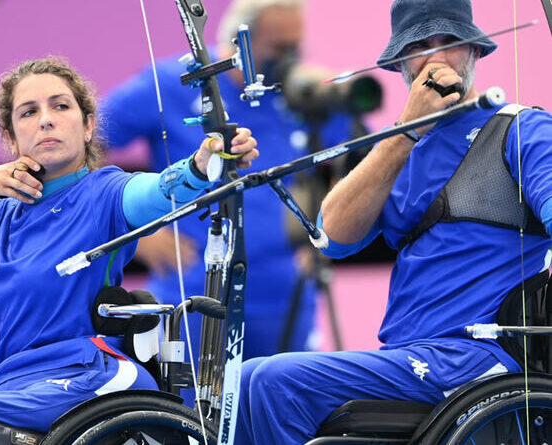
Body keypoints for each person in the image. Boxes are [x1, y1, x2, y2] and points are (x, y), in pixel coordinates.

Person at [0, 57, 258, 444]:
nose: (45, 118)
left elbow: (156, 192)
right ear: (12, 139)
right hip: (14, 385)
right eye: (28, 112)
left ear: (87, 126)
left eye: (60, 106)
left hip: (86, 375)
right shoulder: (4, 216)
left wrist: (202, 167)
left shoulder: (107, 191)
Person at [236, 0, 552, 443]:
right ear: (401, 63)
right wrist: (406, 129)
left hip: (477, 359)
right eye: (421, 46)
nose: (438, 59)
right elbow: (333, 237)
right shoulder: (399, 149)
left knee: (271, 381)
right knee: (246, 383)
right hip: (410, 359)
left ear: (476, 52)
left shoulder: (524, 129)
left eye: (451, 43)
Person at [102, 0, 358, 367]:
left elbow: (352, 156)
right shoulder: (172, 83)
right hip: (194, 292)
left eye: (295, 47)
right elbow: (87, 144)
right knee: (191, 417)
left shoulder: (298, 94)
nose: (289, 59)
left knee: (279, 411)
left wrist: (321, 232)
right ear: (240, 42)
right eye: (279, 47)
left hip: (284, 293)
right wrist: (137, 234)